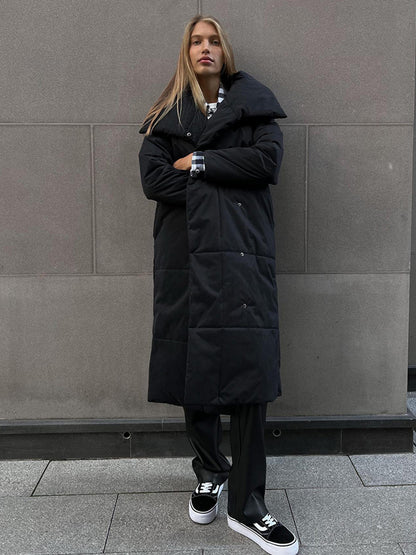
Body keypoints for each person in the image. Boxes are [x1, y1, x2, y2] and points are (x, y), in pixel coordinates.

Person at [138, 14, 299, 555]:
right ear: (185, 52)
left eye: (213, 41)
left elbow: (268, 161)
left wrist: (202, 160)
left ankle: (249, 506)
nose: (205, 48)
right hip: (186, 262)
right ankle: (210, 468)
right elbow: (155, 179)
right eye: (195, 41)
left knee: (251, 375)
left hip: (242, 257)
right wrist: (227, 178)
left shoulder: (253, 107)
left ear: (224, 51)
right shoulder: (165, 115)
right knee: (194, 367)